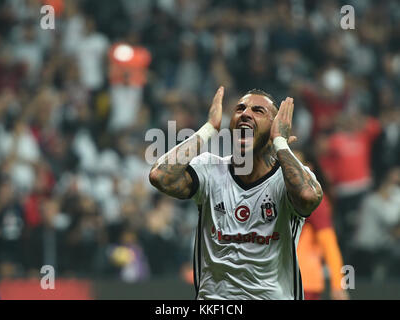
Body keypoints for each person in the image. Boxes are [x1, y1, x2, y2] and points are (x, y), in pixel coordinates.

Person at [149, 87, 323, 300]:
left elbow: (308, 198)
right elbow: (160, 176)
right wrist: (208, 129)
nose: (245, 113)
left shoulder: (288, 180)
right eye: (240, 109)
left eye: (258, 111)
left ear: (274, 128)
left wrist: (280, 142)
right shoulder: (210, 169)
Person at [294, 150, 348, 300]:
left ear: (309, 168)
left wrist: (338, 285)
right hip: (277, 279)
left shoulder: (314, 201)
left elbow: (328, 242)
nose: (289, 168)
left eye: (296, 163)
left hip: (303, 282)